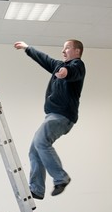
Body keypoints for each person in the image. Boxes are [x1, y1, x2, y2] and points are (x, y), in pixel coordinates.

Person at [14, 40, 86, 200]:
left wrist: (65, 73)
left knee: (41, 143)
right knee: (34, 150)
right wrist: (27, 48)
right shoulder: (58, 66)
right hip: (52, 116)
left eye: (67, 48)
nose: (63, 51)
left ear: (77, 51)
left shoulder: (78, 65)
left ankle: (61, 177)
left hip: (63, 116)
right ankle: (37, 189)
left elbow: (73, 71)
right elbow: (43, 58)